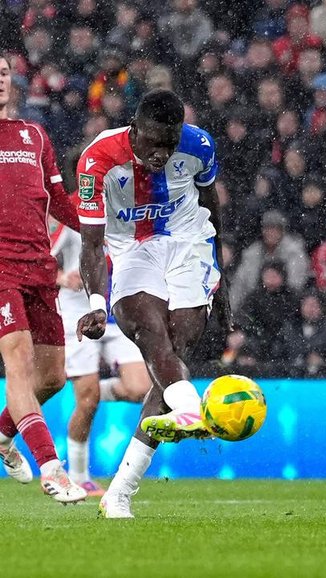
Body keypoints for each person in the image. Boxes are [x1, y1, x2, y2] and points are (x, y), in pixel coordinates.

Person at [75, 89, 231, 518]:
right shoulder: (97, 161)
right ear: (134, 129)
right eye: (153, 142)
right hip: (131, 251)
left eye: (169, 143)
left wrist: (222, 274)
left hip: (188, 243)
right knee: (150, 335)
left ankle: (119, 493)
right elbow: (91, 245)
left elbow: (211, 205)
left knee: (174, 356)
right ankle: (190, 409)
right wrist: (97, 302)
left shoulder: (199, 145)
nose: (161, 153)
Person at [0, 55, 87, 503]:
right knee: (18, 363)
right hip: (1, 269)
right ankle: (53, 470)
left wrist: (97, 230)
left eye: (2, 73)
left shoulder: (33, 135)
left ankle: (3, 434)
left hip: (39, 266)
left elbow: (56, 197)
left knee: (52, 377)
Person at [51, 223, 151, 496]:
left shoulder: (127, 215)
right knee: (87, 401)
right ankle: (79, 477)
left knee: (140, 388)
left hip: (116, 313)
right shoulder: (75, 217)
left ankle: (92, 392)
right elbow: (40, 256)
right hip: (77, 313)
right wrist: (62, 277)